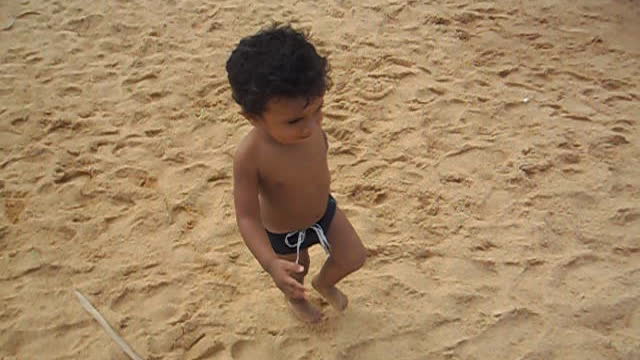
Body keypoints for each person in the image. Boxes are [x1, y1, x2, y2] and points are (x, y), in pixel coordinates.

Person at [226, 24, 367, 323]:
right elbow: (247, 217)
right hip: (283, 233)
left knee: (354, 256)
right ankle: (298, 301)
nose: (310, 126)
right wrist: (269, 263)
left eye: (318, 110)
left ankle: (325, 282)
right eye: (294, 121)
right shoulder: (251, 156)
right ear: (253, 117)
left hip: (323, 213)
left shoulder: (311, 129)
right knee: (293, 273)